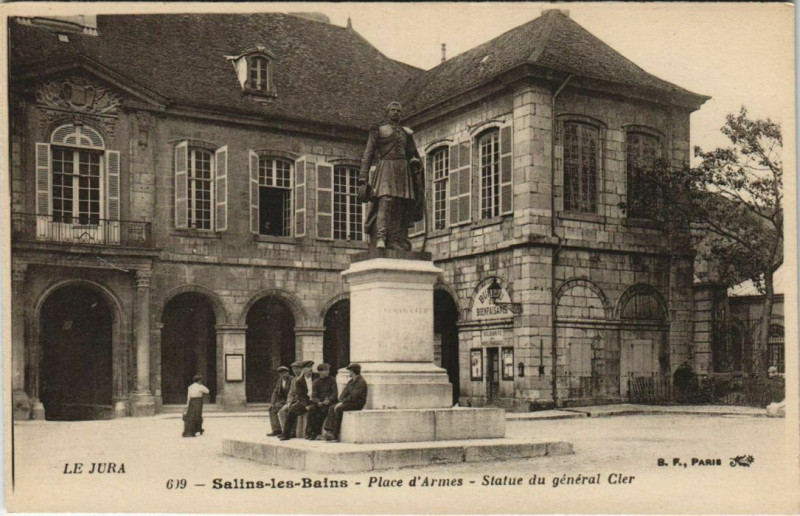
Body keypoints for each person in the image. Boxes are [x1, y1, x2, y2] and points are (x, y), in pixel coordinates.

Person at [357, 101, 424, 251]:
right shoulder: (378, 130)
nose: (396, 113)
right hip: (386, 167)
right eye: (393, 110)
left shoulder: (406, 133)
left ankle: (394, 240)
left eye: (399, 111)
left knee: (399, 204)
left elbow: (412, 153)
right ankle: (381, 237)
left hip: (403, 170)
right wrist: (363, 177)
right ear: (387, 113)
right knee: (385, 201)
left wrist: (415, 162)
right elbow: (368, 154)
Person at [319, 363, 367, 442]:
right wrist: (341, 400)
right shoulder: (351, 381)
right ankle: (329, 431)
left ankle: (335, 434)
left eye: (350, 371)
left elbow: (354, 396)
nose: (349, 373)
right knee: (332, 407)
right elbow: (343, 394)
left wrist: (342, 402)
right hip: (348, 402)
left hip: (357, 403)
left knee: (339, 409)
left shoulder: (361, 382)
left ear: (352, 371)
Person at [280, 360, 317, 441]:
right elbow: (301, 396)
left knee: (313, 410)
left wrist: (313, 403)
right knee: (291, 411)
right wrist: (305, 405)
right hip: (304, 401)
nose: (310, 369)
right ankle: (286, 434)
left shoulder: (316, 377)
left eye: (311, 367)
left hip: (315, 401)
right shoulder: (299, 381)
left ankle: (310, 433)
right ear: (303, 369)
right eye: (308, 368)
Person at [306, 363, 338, 440]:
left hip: (330, 402)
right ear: (320, 372)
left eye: (328, 370)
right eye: (325, 370)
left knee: (323, 411)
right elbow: (314, 396)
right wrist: (318, 402)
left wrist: (329, 399)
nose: (328, 372)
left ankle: (317, 433)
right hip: (320, 403)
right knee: (312, 409)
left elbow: (335, 393)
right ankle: (309, 433)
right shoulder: (316, 382)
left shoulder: (332, 380)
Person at [267, 366, 292, 437]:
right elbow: (275, 392)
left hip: (291, 401)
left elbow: (293, 392)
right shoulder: (280, 380)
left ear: (288, 372)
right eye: (281, 373)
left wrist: (289, 402)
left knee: (282, 411)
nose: (283, 375)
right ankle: (276, 430)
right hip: (283, 401)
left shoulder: (292, 379)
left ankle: (286, 431)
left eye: (285, 372)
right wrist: (272, 403)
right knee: (272, 409)